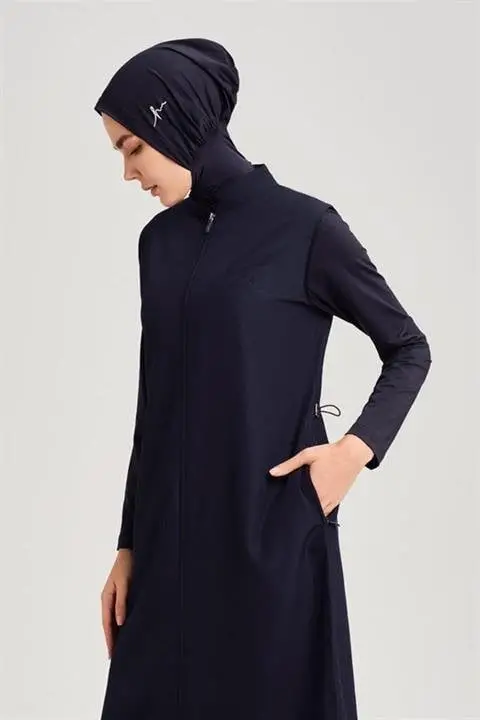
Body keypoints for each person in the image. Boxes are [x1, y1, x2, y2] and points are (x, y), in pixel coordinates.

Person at [94, 37, 431, 720]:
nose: (128, 173)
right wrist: (128, 543)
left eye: (133, 147)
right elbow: (154, 400)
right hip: (165, 548)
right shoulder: (158, 244)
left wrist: (350, 455)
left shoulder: (304, 227)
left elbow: (408, 348)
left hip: (269, 533)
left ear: (174, 121)